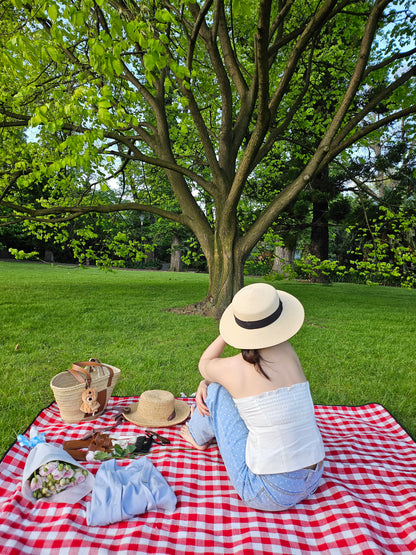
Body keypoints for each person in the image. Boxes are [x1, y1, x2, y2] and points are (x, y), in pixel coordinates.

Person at [180, 282, 325, 511]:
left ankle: (197, 435)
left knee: (216, 392)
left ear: (238, 328)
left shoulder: (235, 369)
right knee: (218, 387)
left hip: (267, 493)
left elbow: (205, 364)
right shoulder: (288, 350)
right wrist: (209, 380)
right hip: (314, 476)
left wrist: (227, 334)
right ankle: (201, 427)